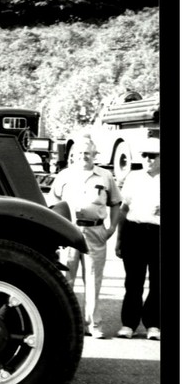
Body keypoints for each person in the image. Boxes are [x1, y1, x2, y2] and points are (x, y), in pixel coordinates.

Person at [48, 138, 122, 338]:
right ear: (73, 155)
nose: (83, 157)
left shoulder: (105, 176)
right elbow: (53, 204)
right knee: (65, 279)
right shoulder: (64, 175)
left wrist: (111, 228)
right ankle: (66, 324)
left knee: (93, 280)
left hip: (95, 232)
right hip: (68, 231)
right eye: (80, 153)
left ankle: (93, 325)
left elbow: (116, 203)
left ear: (94, 155)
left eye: (88, 153)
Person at [113, 137, 161, 340]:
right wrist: (119, 239)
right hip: (135, 231)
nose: (148, 160)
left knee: (158, 281)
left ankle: (153, 324)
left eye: (153, 156)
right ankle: (129, 324)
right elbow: (124, 209)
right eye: (145, 155)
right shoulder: (133, 177)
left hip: (158, 233)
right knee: (133, 281)